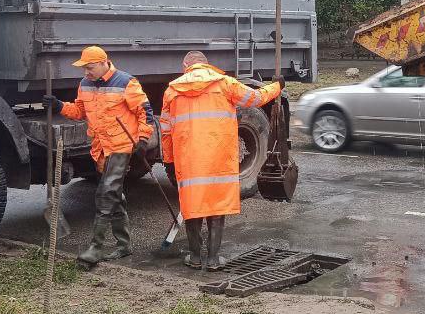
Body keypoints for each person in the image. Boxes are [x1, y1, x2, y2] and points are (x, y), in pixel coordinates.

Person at [160, 51, 281, 270]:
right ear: (207, 65)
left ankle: (195, 258)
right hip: (219, 158)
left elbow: (166, 130)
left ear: (185, 66)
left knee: (192, 207)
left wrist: (169, 159)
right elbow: (256, 98)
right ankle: (214, 259)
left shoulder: (172, 90)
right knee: (217, 206)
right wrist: (277, 86)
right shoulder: (225, 83)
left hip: (189, 160)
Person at [44, 46, 153, 268]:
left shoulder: (126, 82)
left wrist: (142, 140)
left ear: (104, 62)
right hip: (100, 148)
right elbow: (79, 112)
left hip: (121, 145)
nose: (86, 72)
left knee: (105, 195)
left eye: (90, 67)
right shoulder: (85, 85)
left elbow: (145, 112)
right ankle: (124, 246)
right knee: (115, 195)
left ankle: (96, 247)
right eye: (84, 68)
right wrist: (58, 106)